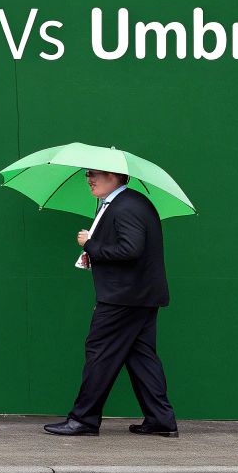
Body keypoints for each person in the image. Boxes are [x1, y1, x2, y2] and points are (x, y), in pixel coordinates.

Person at [44, 167, 179, 438]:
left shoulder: (126, 206)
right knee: (141, 358)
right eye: (87, 174)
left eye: (94, 174)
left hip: (124, 298)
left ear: (115, 176)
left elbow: (130, 249)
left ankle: (83, 419)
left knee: (100, 353)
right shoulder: (126, 202)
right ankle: (161, 420)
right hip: (137, 297)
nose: (89, 179)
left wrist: (91, 244)